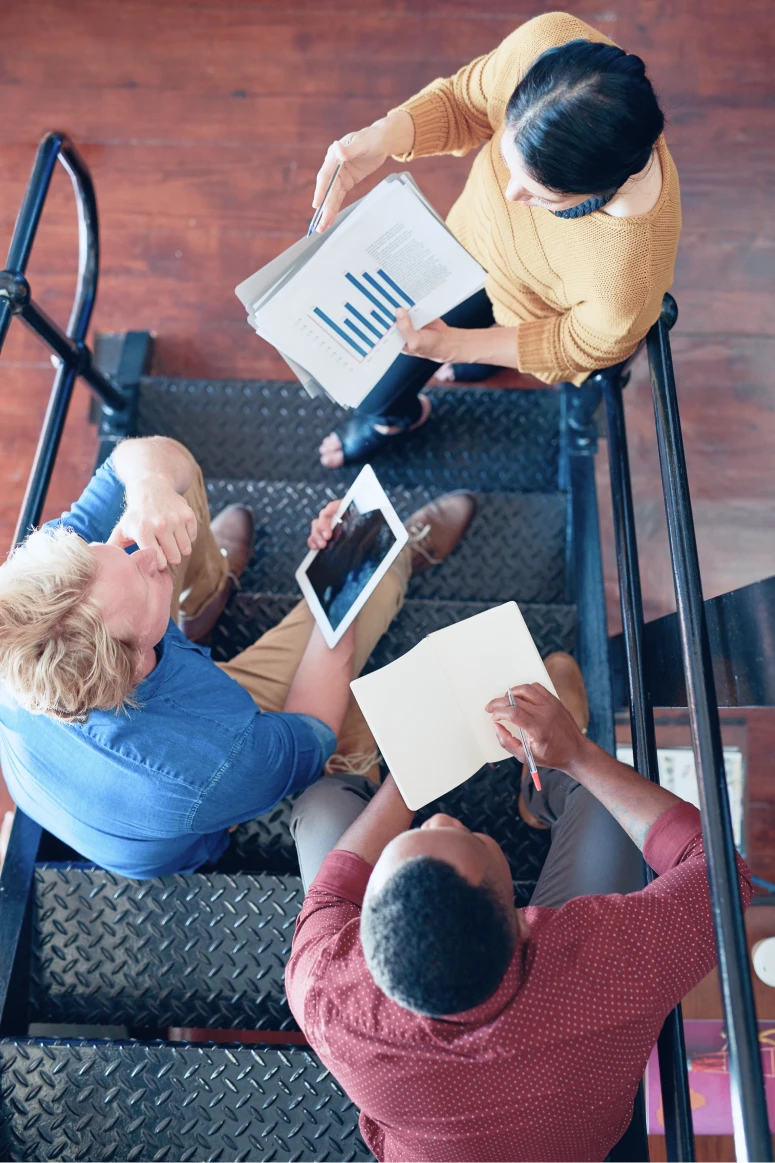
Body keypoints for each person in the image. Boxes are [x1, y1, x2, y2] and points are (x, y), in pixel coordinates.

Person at [286, 654, 752, 1163]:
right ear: (526, 923)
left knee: (323, 807)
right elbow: (723, 877)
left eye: (419, 834)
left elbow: (332, 893)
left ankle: (378, 778)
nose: (441, 817)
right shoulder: (610, 971)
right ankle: (549, 774)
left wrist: (411, 777)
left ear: (363, 943)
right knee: (607, 803)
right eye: (473, 840)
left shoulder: (325, 993)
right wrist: (576, 754)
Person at [0, 435, 476, 878]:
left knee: (168, 497)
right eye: (144, 582)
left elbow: (139, 460)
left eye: (112, 549)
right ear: (138, 663)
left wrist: (150, 485)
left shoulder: (36, 604)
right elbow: (312, 726)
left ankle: (203, 598)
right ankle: (395, 560)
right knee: (374, 593)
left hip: (93, 794)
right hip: (194, 808)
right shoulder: (218, 763)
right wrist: (347, 571)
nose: (146, 553)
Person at [312, 12, 680, 468]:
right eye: (509, 161)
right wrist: (382, 137)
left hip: (528, 310)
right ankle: (404, 408)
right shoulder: (545, 42)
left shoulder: (628, 277)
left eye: (539, 195)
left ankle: (411, 404)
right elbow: (465, 102)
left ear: (601, 190)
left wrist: (456, 346)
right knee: (385, 382)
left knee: (376, 392)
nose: (509, 194)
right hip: (464, 242)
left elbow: (573, 344)